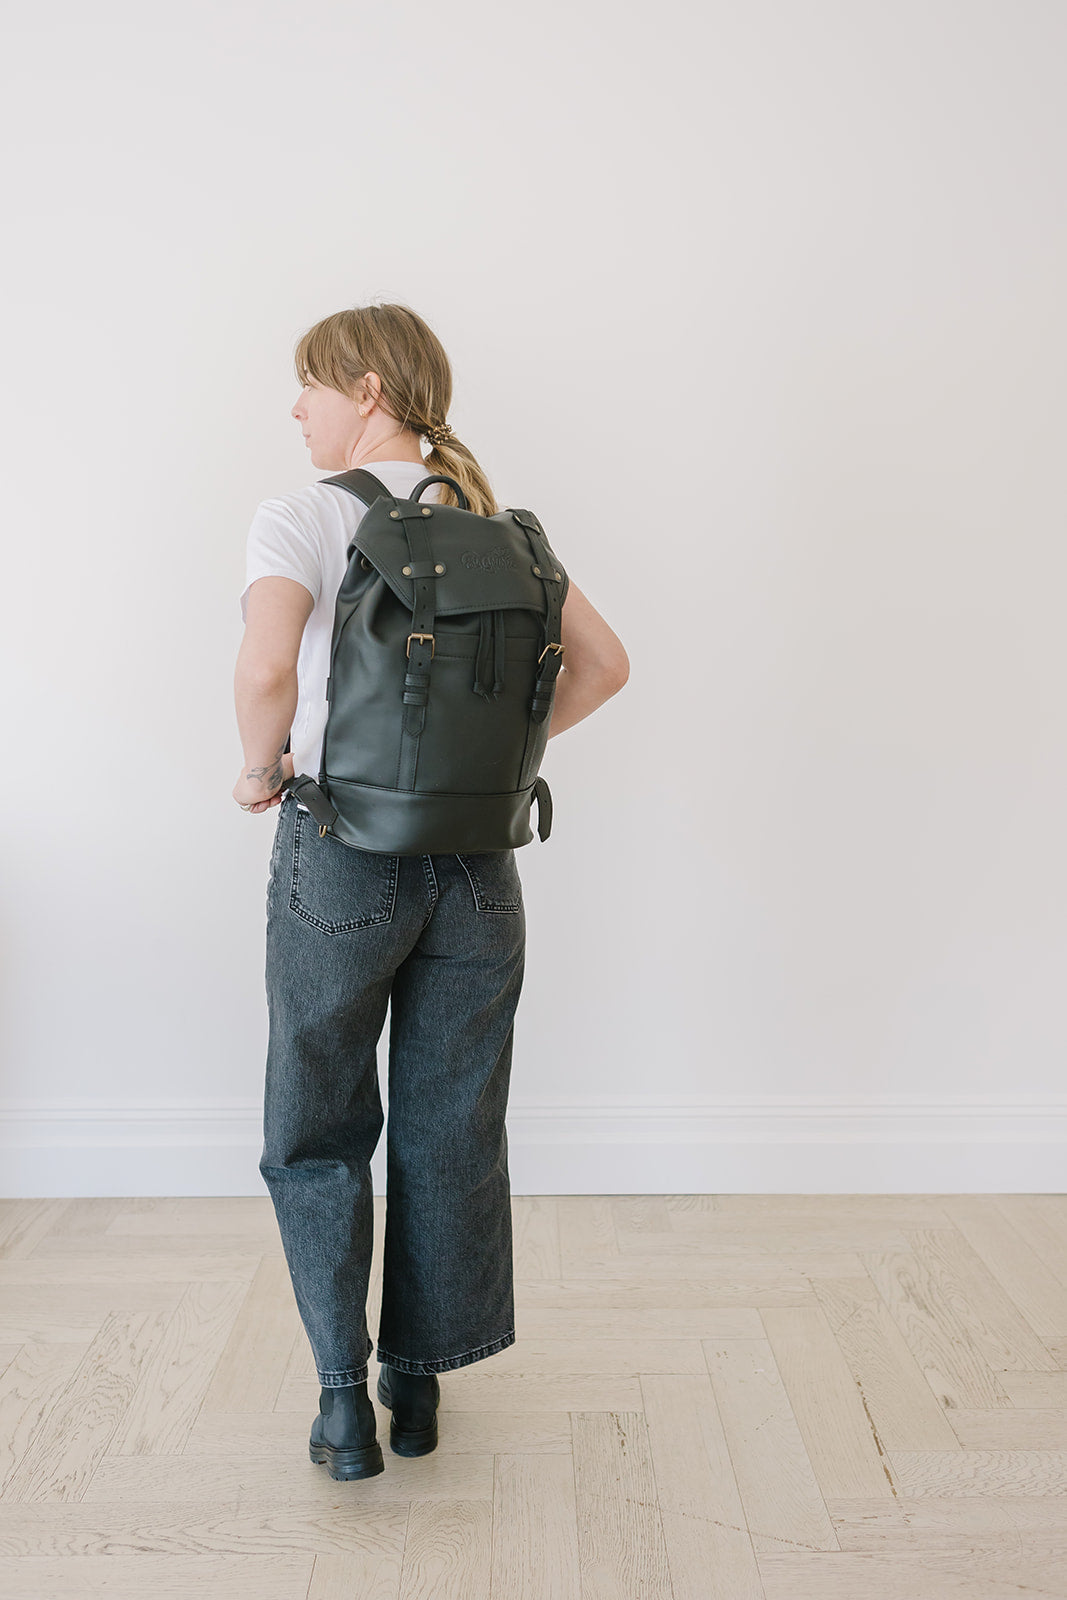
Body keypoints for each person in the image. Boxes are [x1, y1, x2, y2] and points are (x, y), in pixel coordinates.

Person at [232, 301, 629, 1480]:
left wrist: (260, 771)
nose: (296, 409)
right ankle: (419, 1382)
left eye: (308, 385)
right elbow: (604, 667)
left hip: (341, 849)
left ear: (366, 387)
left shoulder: (301, 514)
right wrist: (495, 763)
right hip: (478, 867)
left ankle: (342, 1402)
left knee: (318, 1127)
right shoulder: (504, 530)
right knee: (451, 1126)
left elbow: (263, 664)